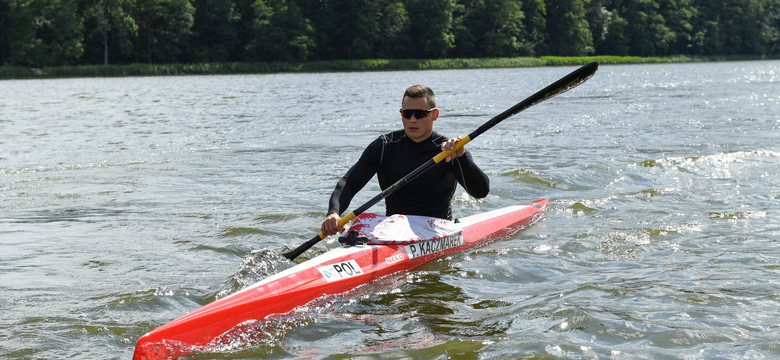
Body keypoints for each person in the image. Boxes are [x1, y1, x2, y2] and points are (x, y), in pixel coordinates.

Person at [321, 84, 490, 236]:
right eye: (407, 114)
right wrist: (334, 213)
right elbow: (349, 183)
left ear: (435, 114)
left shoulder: (449, 150)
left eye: (420, 114)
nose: (412, 120)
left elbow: (480, 191)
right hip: (394, 231)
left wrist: (461, 156)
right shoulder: (384, 146)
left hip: (437, 230)